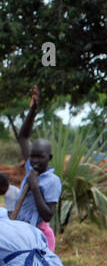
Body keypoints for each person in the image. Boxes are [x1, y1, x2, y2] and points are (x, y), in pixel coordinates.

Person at [14, 85, 60, 253]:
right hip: (21, 230)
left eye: (39, 157)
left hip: (39, 235)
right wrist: (33, 111)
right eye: (32, 156)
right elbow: (23, 136)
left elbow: (48, 215)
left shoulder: (52, 181)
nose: (34, 160)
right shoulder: (31, 168)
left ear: (49, 158)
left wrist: (34, 188)